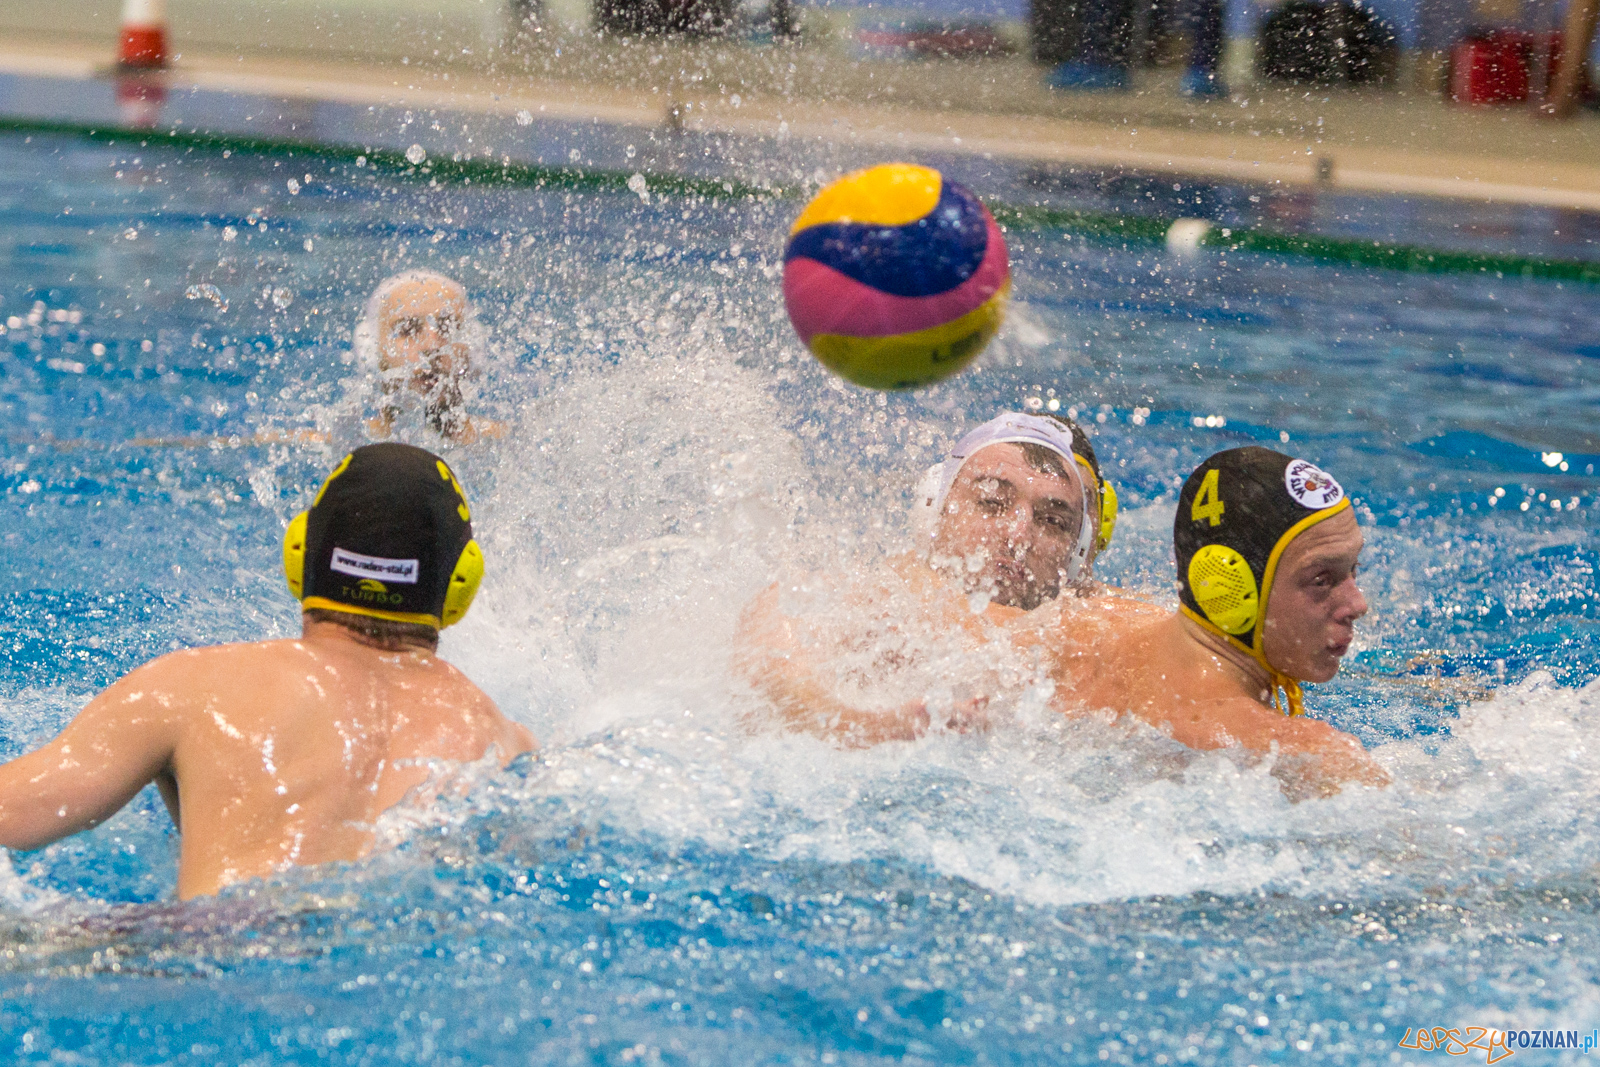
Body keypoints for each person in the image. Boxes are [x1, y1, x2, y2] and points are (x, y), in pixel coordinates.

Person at [0, 443, 534, 899]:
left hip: (204, 951)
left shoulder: (194, 687)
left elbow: (15, 815)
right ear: (460, 585)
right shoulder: (503, 743)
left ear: (300, 557)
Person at [735, 411, 1119, 746]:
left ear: (1078, 552)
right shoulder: (852, 600)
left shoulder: (1096, 633)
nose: (1019, 535)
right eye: (991, 503)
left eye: (1053, 520)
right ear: (933, 510)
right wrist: (877, 729)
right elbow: (773, 687)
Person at [1046, 446, 1387, 796]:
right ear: (1230, 588)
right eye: (1321, 580)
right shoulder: (1310, 758)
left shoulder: (1072, 629)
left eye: (1353, 568)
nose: (1357, 604)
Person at [353, 270, 506, 445]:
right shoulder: (341, 445)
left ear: (472, 347)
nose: (432, 347)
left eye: (447, 327)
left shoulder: (508, 443)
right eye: (408, 329)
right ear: (372, 351)